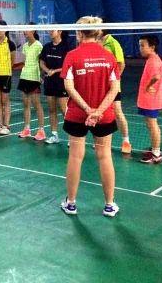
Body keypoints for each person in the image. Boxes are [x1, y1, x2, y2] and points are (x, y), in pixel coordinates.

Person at [60, 16, 120, 217]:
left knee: (75, 156)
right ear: (98, 33)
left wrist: (88, 110)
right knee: (105, 156)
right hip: (104, 116)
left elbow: (69, 87)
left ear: (79, 33)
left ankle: (71, 203)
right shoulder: (109, 57)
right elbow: (115, 89)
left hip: (77, 114)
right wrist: (98, 112)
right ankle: (109, 205)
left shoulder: (72, 56)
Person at [101, 29, 132, 154]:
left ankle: (126, 141)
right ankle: (103, 141)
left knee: (118, 113)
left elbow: (121, 64)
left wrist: (114, 81)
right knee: (102, 113)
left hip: (112, 86)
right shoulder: (96, 42)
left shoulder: (113, 43)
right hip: (100, 86)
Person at [137, 35, 162, 164]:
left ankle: (156, 154)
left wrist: (148, 86)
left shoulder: (153, 61)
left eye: (143, 45)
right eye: (140, 45)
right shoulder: (154, 59)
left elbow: (157, 77)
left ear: (152, 47)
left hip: (151, 100)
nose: (140, 48)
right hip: (150, 100)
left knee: (152, 125)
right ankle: (155, 150)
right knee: (151, 124)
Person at [40, 29, 70, 144]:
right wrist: (47, 70)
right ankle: (54, 135)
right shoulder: (47, 47)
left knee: (64, 110)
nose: (50, 32)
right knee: (52, 109)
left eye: (53, 30)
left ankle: (71, 137)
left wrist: (55, 71)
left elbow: (68, 65)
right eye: (50, 30)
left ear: (60, 31)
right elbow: (42, 62)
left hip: (61, 82)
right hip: (49, 82)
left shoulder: (66, 47)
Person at [17, 27, 45, 140]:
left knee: (37, 105)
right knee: (26, 104)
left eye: (27, 30)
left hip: (34, 78)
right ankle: (27, 129)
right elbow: (24, 62)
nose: (24, 32)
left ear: (33, 31)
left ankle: (41, 130)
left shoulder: (39, 46)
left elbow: (41, 63)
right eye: (24, 30)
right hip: (24, 77)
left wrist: (41, 76)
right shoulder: (24, 46)